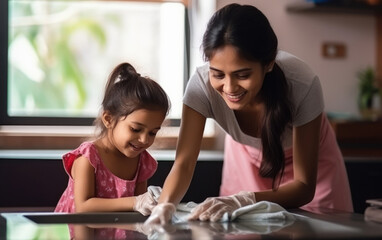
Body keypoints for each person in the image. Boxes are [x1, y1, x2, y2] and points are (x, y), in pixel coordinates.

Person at [146, 3, 353, 224]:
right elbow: (184, 164)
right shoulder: (200, 86)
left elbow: (304, 187)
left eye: (242, 74)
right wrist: (166, 204)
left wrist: (242, 200)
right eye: (218, 74)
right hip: (247, 162)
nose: (229, 87)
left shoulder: (302, 84)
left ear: (269, 63)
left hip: (312, 170)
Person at [55, 62, 170, 237]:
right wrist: (136, 201)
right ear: (108, 119)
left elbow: (138, 214)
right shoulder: (88, 158)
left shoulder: (142, 161)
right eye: (136, 129)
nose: (145, 140)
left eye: (153, 132)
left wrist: (151, 204)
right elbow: (84, 207)